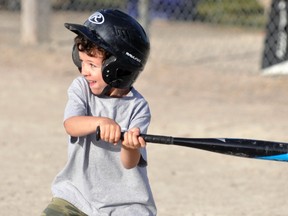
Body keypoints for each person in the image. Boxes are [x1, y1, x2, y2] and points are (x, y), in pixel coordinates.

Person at [41, 8, 156, 216]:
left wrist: (129, 146)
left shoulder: (138, 107)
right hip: (77, 197)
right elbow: (71, 125)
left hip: (125, 207)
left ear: (119, 69)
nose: (84, 70)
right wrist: (100, 122)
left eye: (92, 64)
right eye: (82, 61)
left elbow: (129, 163)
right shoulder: (81, 88)